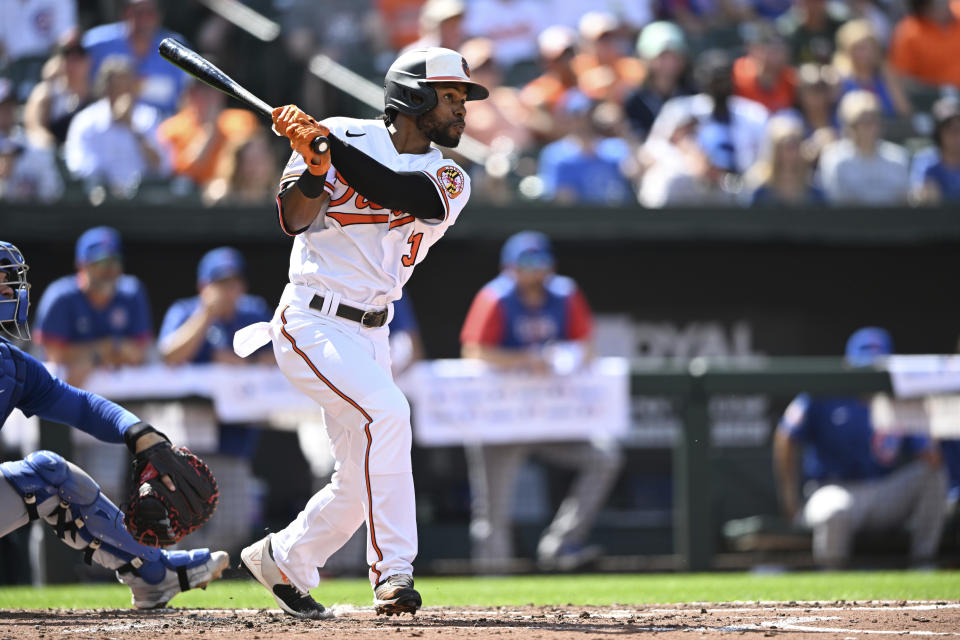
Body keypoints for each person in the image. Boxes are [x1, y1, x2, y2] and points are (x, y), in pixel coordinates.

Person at [232, 46, 488, 618]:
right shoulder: (339, 134)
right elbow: (292, 218)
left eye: (462, 99)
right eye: (449, 97)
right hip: (311, 317)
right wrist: (316, 168)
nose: (461, 111)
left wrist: (329, 153)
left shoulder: (449, 176)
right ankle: (394, 573)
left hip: (374, 331)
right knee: (390, 415)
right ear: (412, 97)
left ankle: (283, 558)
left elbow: (395, 192)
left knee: (358, 479)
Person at [0, 240, 229, 608]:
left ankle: (153, 574)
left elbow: (80, 405)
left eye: (9, 282)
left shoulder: (11, 364)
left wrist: (137, 431)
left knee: (49, 472)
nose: (9, 291)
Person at [459, 231, 623, 572]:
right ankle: (493, 584)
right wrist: (524, 360)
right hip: (501, 420)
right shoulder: (495, 297)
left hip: (550, 418)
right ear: (511, 268)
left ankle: (561, 545)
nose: (535, 272)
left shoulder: (564, 294)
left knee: (604, 457)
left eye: (541, 263)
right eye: (526, 264)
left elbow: (587, 347)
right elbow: (473, 352)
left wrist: (563, 359)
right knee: (492, 510)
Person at [773, 327, 947, 568]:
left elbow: (930, 459)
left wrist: (924, 413)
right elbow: (785, 435)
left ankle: (923, 565)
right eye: (863, 366)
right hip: (832, 488)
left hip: (882, 492)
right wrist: (789, 499)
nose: (869, 373)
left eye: (876, 367)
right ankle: (830, 591)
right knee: (834, 510)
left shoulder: (898, 398)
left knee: (932, 476)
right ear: (847, 364)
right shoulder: (823, 392)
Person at [157, 247, 270, 557]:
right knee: (182, 519)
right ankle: (183, 569)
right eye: (219, 283)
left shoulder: (253, 312)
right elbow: (168, 354)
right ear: (203, 287)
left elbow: (278, 357)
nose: (228, 290)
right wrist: (206, 314)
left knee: (234, 523)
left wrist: (241, 364)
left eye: (233, 283)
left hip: (234, 439)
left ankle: (202, 566)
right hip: (188, 437)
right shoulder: (185, 311)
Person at [32, 226, 152, 501]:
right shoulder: (61, 296)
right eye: (100, 263)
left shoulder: (131, 293)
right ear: (82, 265)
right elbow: (56, 355)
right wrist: (106, 350)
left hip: (106, 411)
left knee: (101, 491)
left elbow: (139, 353)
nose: (108, 270)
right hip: (55, 414)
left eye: (113, 263)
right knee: (48, 495)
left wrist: (90, 355)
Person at [63, 55, 169, 200]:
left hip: (142, 203)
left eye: (127, 89)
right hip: (99, 201)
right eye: (116, 89)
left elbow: (162, 167)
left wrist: (133, 128)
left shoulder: (148, 118)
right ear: (104, 90)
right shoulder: (86, 121)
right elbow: (79, 166)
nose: (121, 96)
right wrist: (110, 185)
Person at [82, 0, 188, 117]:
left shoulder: (176, 48)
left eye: (150, 13)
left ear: (159, 16)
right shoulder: (97, 44)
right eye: (138, 12)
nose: (144, 19)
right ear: (126, 13)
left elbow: (187, 97)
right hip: (107, 124)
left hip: (162, 129)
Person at [157, 75, 259, 193]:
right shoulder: (172, 128)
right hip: (191, 200)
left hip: (235, 195)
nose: (210, 97)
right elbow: (185, 173)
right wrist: (211, 129)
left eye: (214, 90)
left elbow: (253, 167)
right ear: (191, 94)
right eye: (203, 90)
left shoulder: (241, 121)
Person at [818, 89, 909, 205]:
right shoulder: (833, 159)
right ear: (849, 125)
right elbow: (836, 203)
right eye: (864, 122)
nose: (871, 128)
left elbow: (903, 203)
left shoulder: (897, 158)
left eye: (874, 120)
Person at [624, 21, 693, 139]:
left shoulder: (694, 93)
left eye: (675, 55)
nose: (670, 63)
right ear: (646, 58)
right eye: (663, 56)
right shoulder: (635, 101)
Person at [23, 33, 93, 148]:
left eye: (78, 56)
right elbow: (34, 129)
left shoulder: (97, 94)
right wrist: (56, 149)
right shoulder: (46, 93)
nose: (72, 63)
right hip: (55, 157)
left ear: (89, 60)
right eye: (67, 56)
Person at [833, 19, 911, 119]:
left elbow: (905, 111)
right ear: (847, 50)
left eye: (869, 47)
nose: (864, 54)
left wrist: (888, 76)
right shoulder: (840, 80)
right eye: (858, 48)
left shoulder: (885, 76)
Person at [744, 114, 826, 206]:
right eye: (786, 146)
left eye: (795, 146)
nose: (791, 153)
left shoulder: (815, 196)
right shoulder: (760, 194)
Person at [888, 0, 960, 91]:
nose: (945, 4)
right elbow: (903, 78)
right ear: (924, 9)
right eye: (937, 3)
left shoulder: (957, 9)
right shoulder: (909, 33)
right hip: (933, 98)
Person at [732, 22, 796, 114]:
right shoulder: (738, 73)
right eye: (775, 50)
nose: (780, 56)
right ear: (757, 50)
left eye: (783, 50)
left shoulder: (790, 79)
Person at [914, 96, 960, 204]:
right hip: (935, 219)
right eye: (951, 130)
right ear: (938, 133)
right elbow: (918, 195)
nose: (957, 136)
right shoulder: (925, 161)